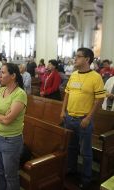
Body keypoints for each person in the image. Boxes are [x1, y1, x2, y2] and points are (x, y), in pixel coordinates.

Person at [60, 48, 106, 190]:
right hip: (70, 117)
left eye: (78, 57)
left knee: (85, 152)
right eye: (76, 56)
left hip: (83, 119)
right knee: (71, 147)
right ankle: (72, 170)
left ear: (87, 59)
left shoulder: (95, 77)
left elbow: (99, 99)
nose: (75, 59)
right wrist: (63, 111)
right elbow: (67, 94)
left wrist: (88, 118)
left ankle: (86, 179)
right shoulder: (73, 75)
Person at [0, 63, 27, 190]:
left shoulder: (20, 94)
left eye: (3, 73)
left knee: (10, 175)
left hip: (10, 140)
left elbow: (8, 120)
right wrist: (1, 116)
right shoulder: (1, 90)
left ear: (13, 76)